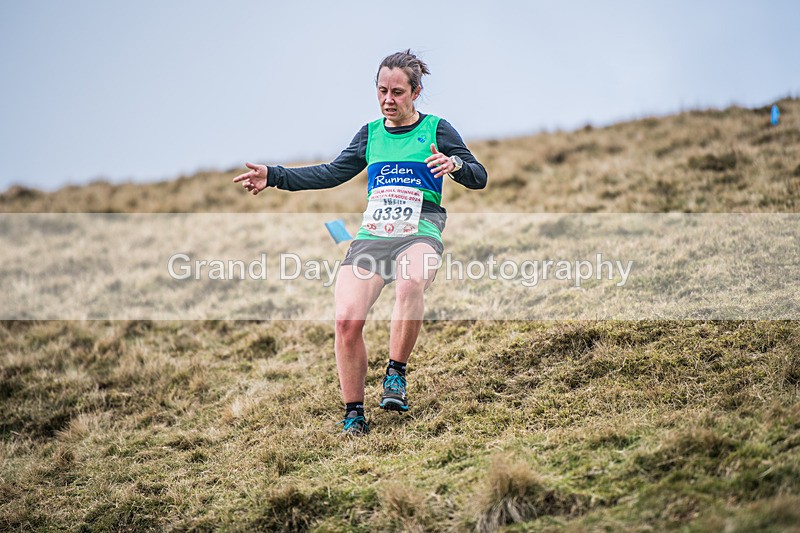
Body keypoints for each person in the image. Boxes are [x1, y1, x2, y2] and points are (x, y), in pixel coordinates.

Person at [233, 50, 487, 435]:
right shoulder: (370, 135)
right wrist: (275, 175)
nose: (388, 99)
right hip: (372, 238)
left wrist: (456, 166)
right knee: (347, 321)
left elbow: (479, 176)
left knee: (410, 282)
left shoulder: (437, 130)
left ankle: (395, 375)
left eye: (397, 92)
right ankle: (354, 413)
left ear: (416, 92)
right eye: (382, 91)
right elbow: (331, 173)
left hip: (420, 230)